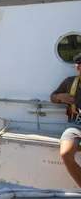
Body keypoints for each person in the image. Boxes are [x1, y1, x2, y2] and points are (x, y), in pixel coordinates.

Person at [51, 53, 81, 187]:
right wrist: (60, 97)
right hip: (75, 125)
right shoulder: (70, 82)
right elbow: (53, 97)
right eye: (78, 64)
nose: (79, 67)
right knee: (65, 153)